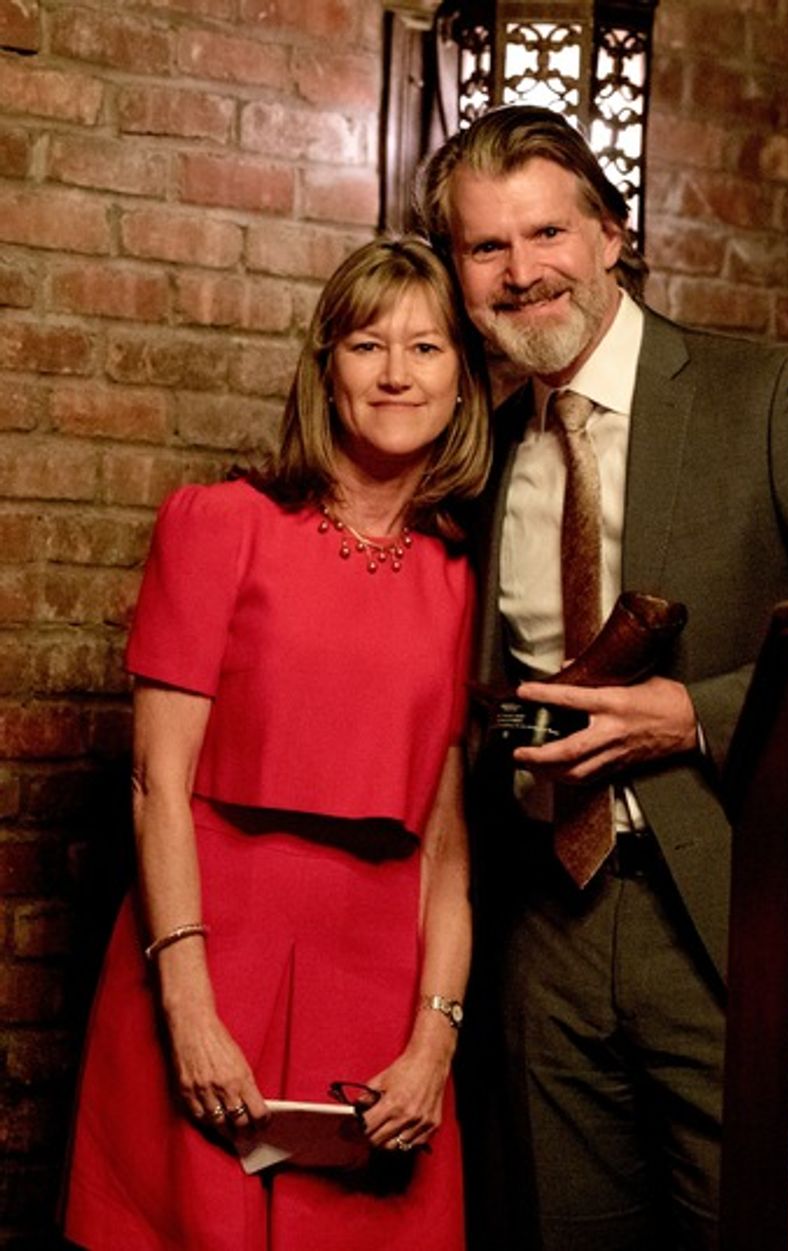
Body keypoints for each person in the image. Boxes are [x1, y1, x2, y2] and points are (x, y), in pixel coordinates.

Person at [419, 105, 788, 1251]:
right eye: (486, 247)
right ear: (458, 273)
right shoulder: (480, 451)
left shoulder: (765, 394)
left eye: (547, 233)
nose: (521, 272)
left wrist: (693, 716)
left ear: (613, 236)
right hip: (542, 929)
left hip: (722, 914)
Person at [63, 236, 490, 1250]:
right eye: (367, 345)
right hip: (208, 967)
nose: (396, 374)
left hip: (380, 996)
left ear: (462, 384)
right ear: (325, 369)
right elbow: (157, 784)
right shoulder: (219, 524)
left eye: (426, 348)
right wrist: (189, 1013)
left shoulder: (458, 576)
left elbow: (446, 846)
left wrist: (434, 1040)